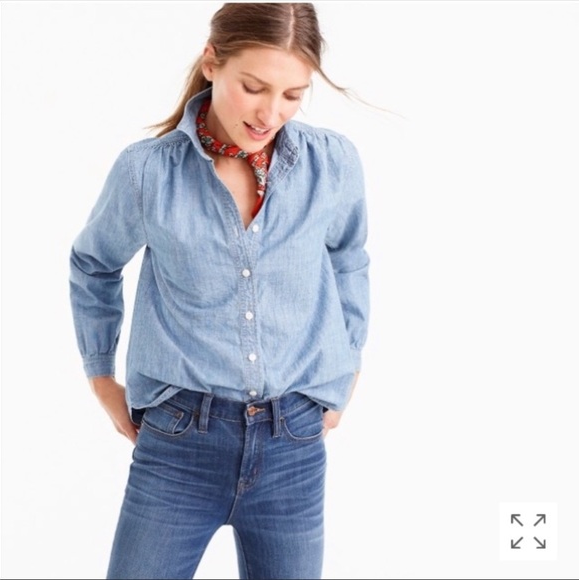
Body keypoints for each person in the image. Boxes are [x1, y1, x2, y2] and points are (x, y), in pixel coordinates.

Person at [69, 3, 370, 579]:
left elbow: (349, 257)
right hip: (178, 443)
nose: (270, 112)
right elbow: (94, 263)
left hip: (294, 442)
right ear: (212, 63)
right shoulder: (148, 172)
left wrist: (346, 364)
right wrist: (101, 378)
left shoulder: (331, 163)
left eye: (293, 94)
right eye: (253, 87)